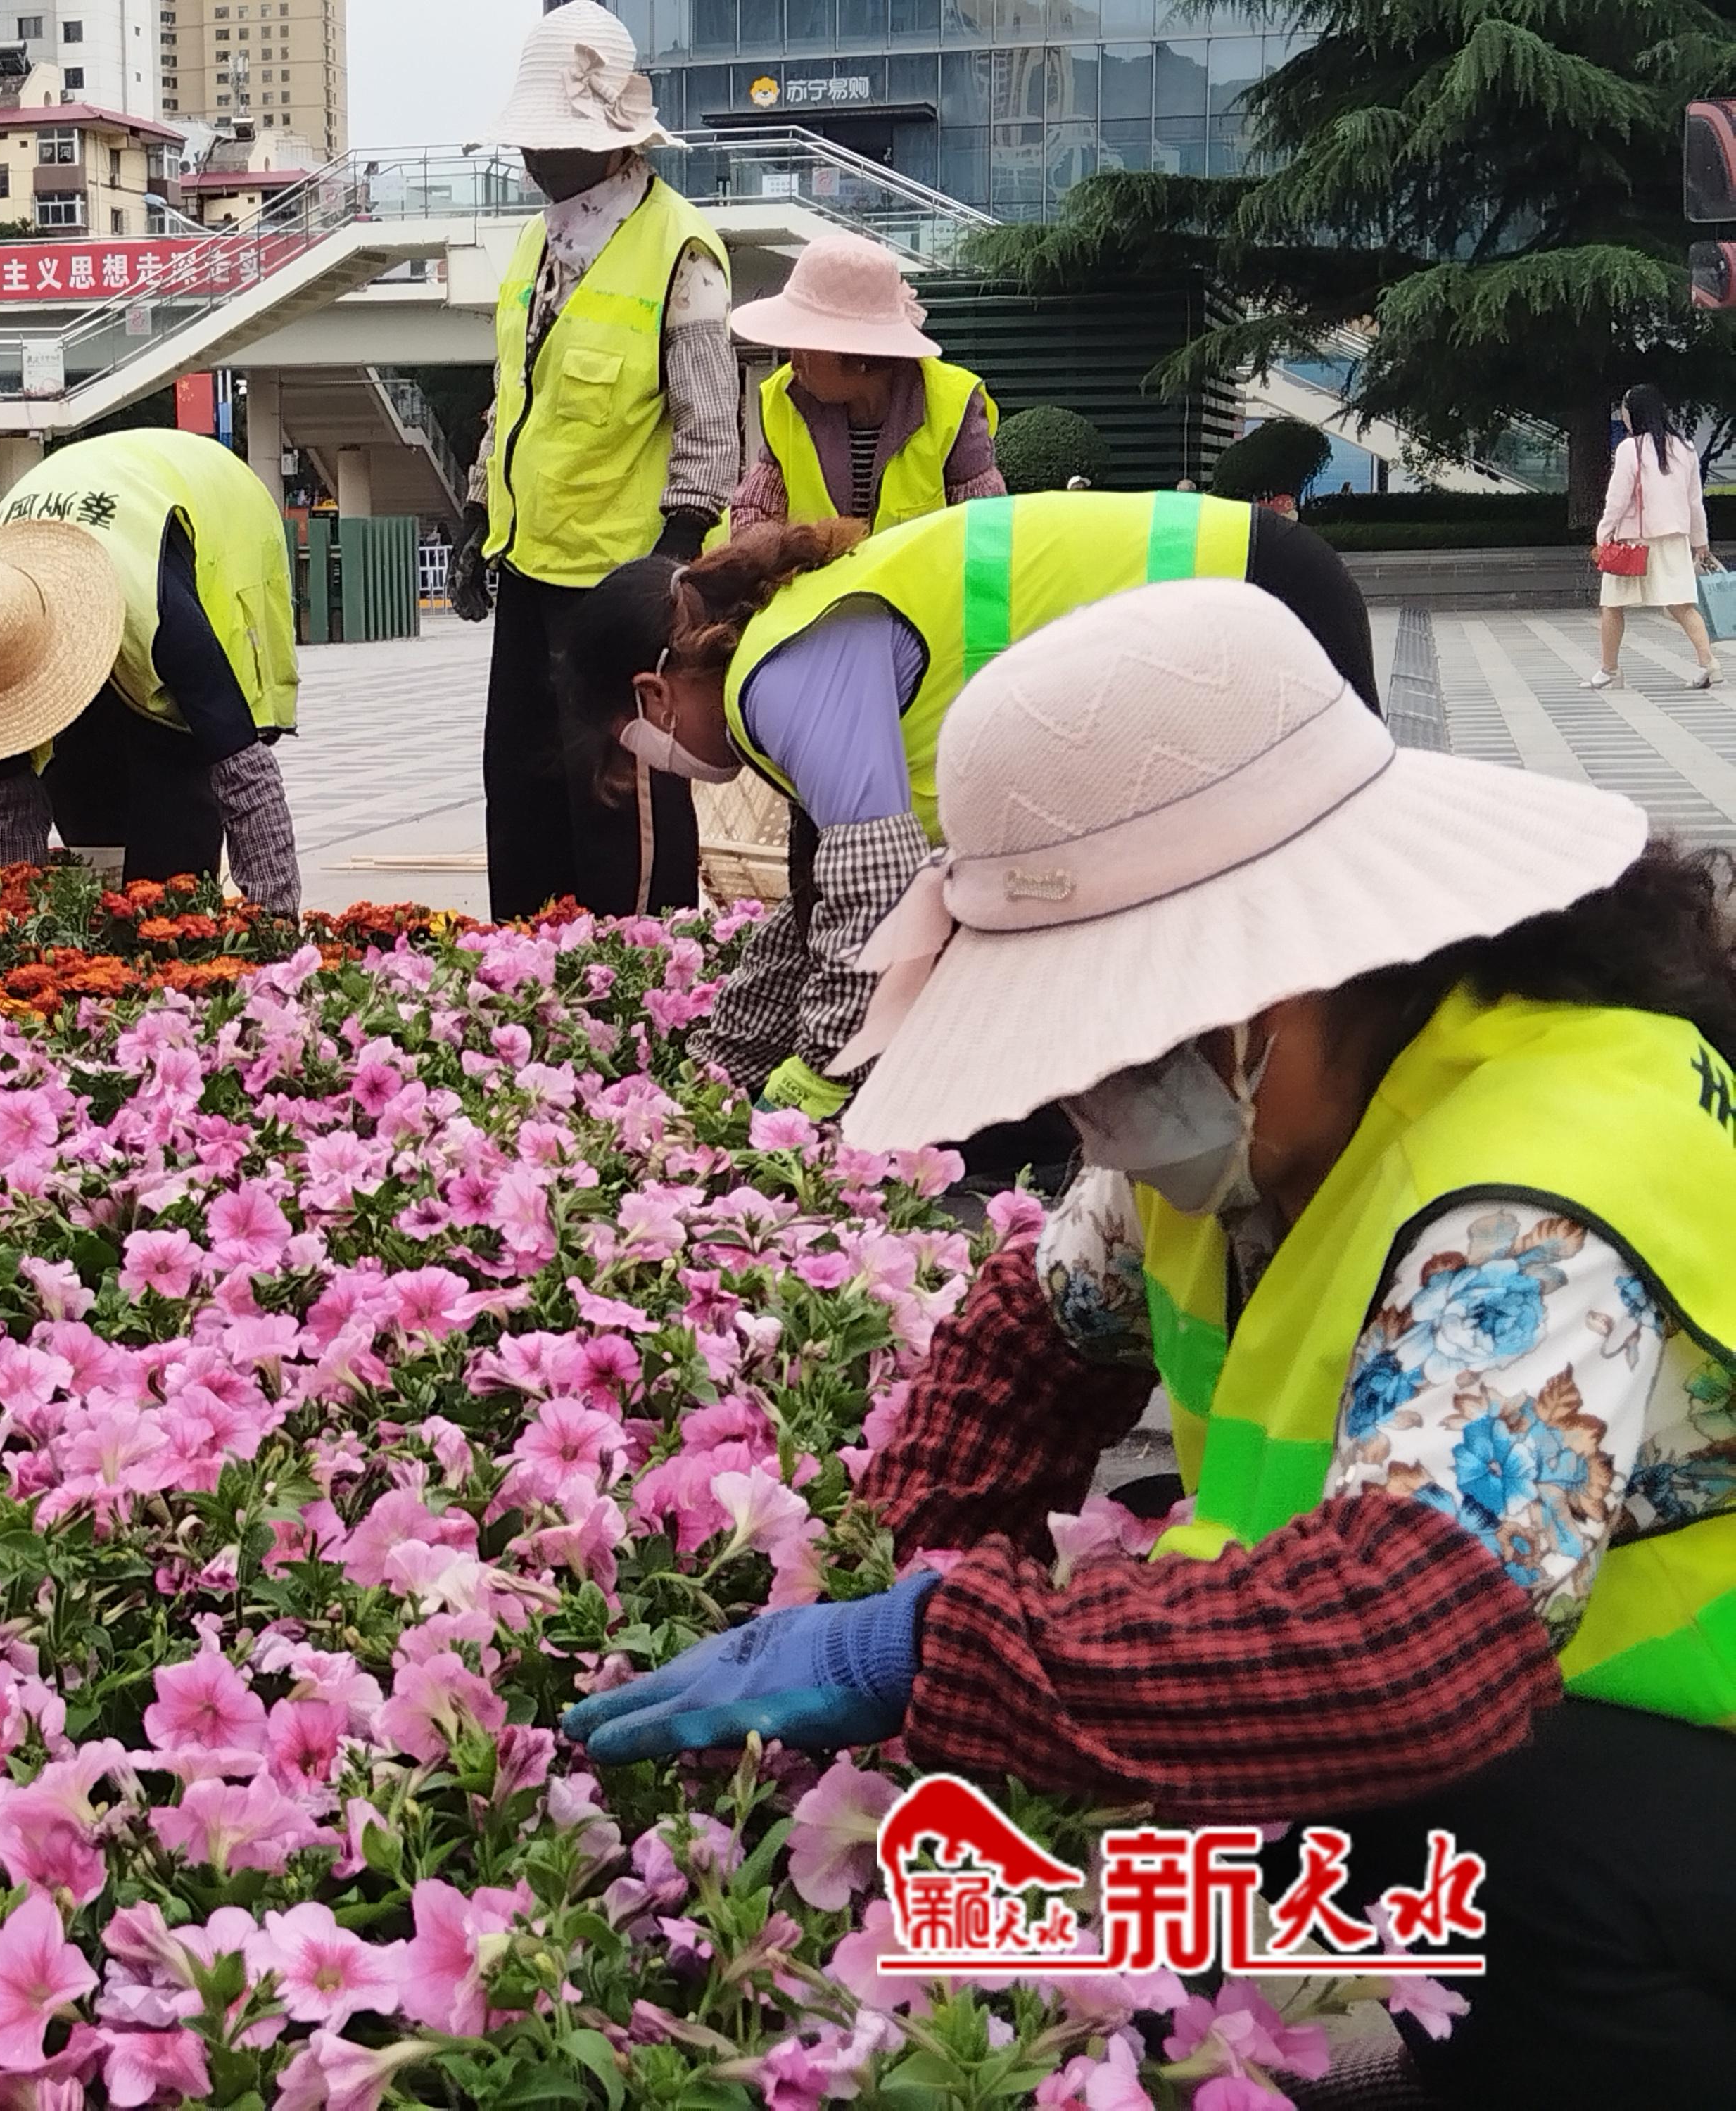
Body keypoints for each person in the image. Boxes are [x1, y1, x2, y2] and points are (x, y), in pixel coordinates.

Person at [561, 580, 1735, 2107]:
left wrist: (939, 1652)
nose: (1093, 1104)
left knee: (1485, 1844)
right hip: (1582, 1717)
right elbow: (1030, 1343)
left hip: (1648, 1766)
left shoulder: (1533, 1188)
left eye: (1118, 1035)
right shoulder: (1260, 1115)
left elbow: (1404, 1643)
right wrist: (922, 1593)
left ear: (1278, 975)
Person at [557, 490, 1379, 1127]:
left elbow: (873, 900)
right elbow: (820, 910)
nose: (668, 765)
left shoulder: (782, 675)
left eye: (640, 745)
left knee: (1326, 928)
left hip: (1250, 595)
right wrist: (722, 1070)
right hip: (1231, 600)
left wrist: (810, 1090)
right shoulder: (784, 645)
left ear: (655, 695)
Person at [450, 1, 736, 922]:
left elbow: (708, 421)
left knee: (621, 802)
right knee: (522, 793)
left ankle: (642, 971)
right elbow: (513, 397)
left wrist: (678, 556)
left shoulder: (681, 249)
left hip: (623, 583)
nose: (534, 156)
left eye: (552, 137)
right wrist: (478, 512)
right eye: (529, 137)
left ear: (611, 141)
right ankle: (526, 975)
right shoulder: (536, 244)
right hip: (532, 568)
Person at [0, 429, 302, 912]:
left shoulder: (159, 617)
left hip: (209, 503)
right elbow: (6, 797)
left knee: (172, 836)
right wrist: (9, 924)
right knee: (85, 808)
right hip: (77, 516)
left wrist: (274, 921)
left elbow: (243, 769)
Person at [724, 229, 1003, 534]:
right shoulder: (785, 395)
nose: (794, 363)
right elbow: (755, 510)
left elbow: (986, 532)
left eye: (806, 346)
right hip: (817, 569)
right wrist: (761, 549)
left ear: (858, 355)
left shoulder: (952, 404)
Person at [1591, 383, 1722, 692]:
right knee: (1682, 605)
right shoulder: (1685, 448)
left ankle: (1610, 670)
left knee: (1612, 605)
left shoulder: (1630, 448)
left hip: (1632, 542)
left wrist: (1603, 532)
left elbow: (1617, 499)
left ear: (1634, 413)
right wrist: (1700, 542)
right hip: (1673, 539)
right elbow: (1694, 502)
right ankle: (1709, 664)